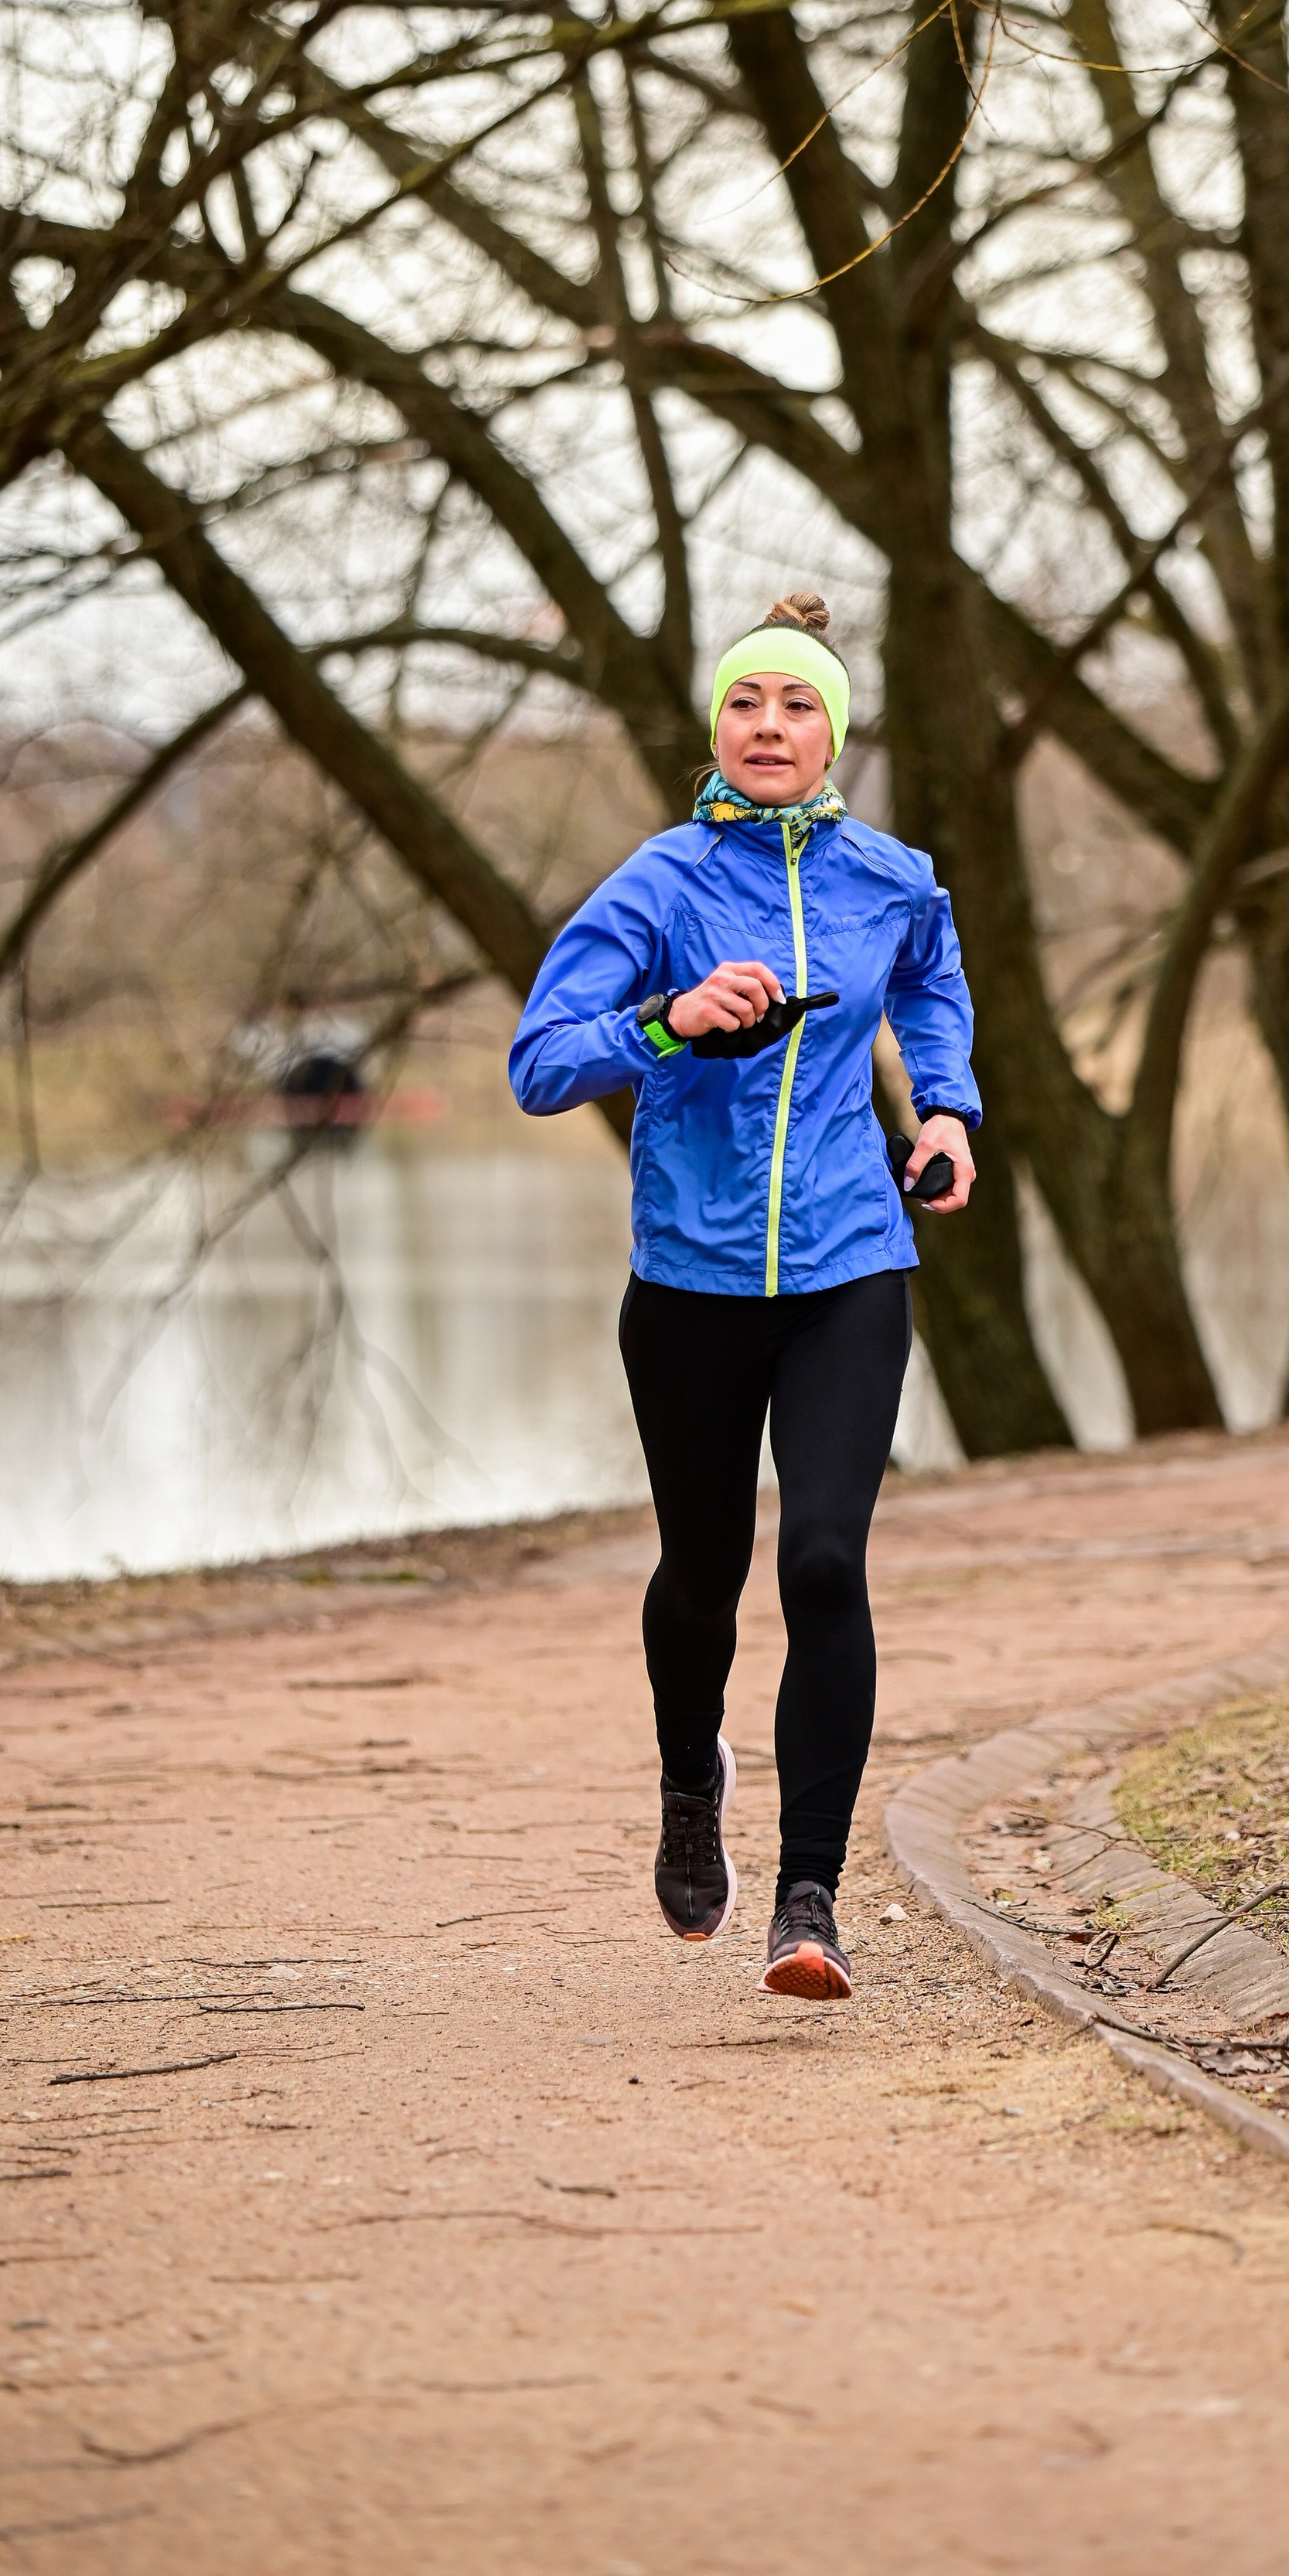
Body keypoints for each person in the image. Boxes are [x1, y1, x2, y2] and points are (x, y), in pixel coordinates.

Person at [508, 594, 979, 1999]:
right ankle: (687, 1779)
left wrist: (945, 1112)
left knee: (826, 1560)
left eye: (797, 706)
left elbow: (935, 990)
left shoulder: (892, 877)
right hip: (692, 1281)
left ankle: (812, 1899)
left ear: (833, 734)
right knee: (701, 1575)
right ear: (717, 728)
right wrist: (669, 1022)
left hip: (849, 1265)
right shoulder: (657, 884)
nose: (770, 727)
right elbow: (541, 1064)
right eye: (745, 705)